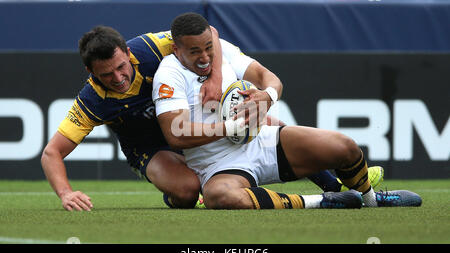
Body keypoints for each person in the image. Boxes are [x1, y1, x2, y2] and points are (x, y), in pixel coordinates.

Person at [153, 12, 422, 209]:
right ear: (177, 49)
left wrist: (266, 97)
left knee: (345, 146)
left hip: (263, 142)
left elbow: (269, 78)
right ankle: (323, 201)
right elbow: (176, 135)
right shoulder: (168, 74)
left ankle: (371, 199)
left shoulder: (223, 52)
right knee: (220, 197)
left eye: (209, 48)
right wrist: (233, 127)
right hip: (217, 167)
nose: (205, 57)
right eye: (195, 51)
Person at [41, 25, 225, 211]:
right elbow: (51, 153)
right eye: (106, 74)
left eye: (121, 67)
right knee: (187, 192)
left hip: (188, 124)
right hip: (148, 148)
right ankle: (174, 195)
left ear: (128, 53)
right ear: (90, 70)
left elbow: (210, 31)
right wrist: (66, 193)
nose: (118, 78)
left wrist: (216, 78)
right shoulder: (92, 101)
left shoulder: (151, 47)